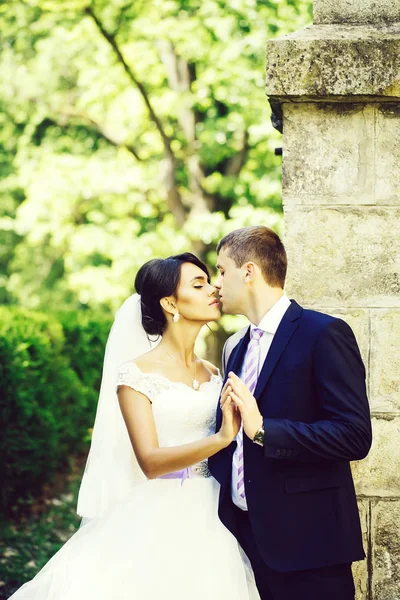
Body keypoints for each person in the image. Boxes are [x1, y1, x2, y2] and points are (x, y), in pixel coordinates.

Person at [9, 253, 259, 600]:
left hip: (216, 512)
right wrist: (221, 438)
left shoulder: (215, 372)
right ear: (170, 302)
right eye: (198, 284)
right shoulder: (135, 375)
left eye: (209, 281)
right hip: (157, 513)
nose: (212, 289)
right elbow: (150, 462)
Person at [208, 226, 372, 600]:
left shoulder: (324, 333)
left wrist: (264, 430)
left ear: (248, 271)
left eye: (221, 271)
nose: (217, 284)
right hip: (244, 542)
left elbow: (354, 434)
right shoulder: (236, 347)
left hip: (307, 546)